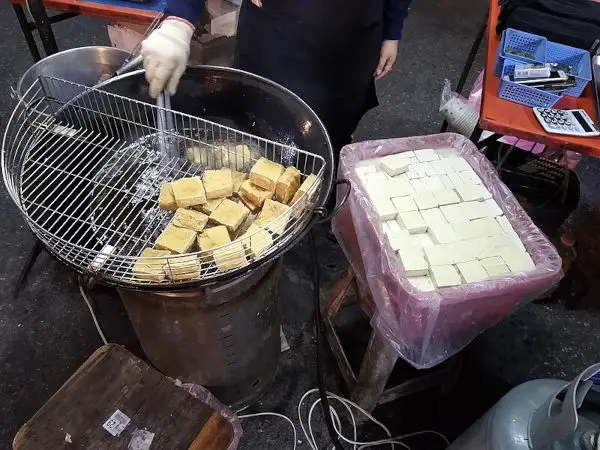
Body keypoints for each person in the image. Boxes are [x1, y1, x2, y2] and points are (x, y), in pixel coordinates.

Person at [141, 0, 411, 156]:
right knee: (259, 122)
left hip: (349, 40)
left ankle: (327, 200)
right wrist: (179, 20)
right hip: (273, 32)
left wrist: (393, 29)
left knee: (334, 129)